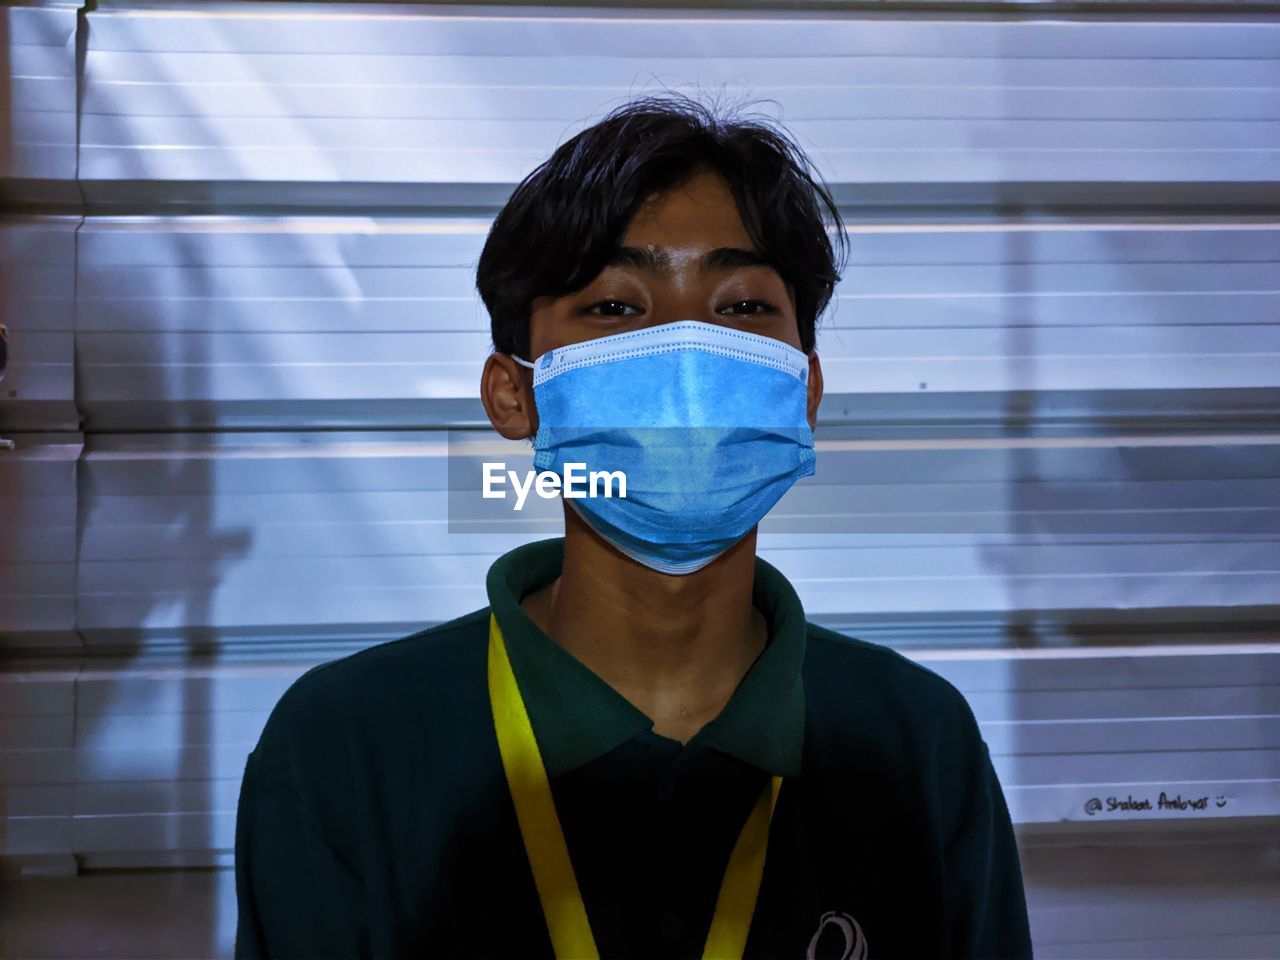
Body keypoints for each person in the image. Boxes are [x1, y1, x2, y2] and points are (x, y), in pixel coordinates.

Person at [233, 94, 1033, 960]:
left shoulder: (917, 742)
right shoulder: (346, 747)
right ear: (515, 394)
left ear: (802, 389)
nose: (688, 355)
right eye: (616, 308)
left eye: (741, 308)